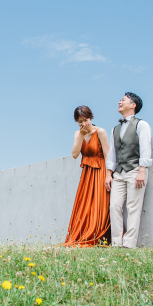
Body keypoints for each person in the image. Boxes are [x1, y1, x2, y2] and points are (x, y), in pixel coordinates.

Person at [105, 92, 152, 248]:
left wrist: (142, 171)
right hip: (118, 173)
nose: (119, 102)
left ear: (133, 105)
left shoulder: (142, 125)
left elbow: (145, 149)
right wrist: (108, 174)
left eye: (123, 100)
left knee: (133, 207)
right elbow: (112, 153)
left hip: (135, 171)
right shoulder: (115, 129)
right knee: (115, 206)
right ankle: (117, 243)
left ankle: (129, 244)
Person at [63, 105, 111, 247]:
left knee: (100, 204)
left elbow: (108, 155)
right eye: (79, 121)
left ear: (91, 118)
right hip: (87, 173)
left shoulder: (100, 132)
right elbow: (74, 154)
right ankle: (83, 234)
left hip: (101, 170)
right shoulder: (78, 134)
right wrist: (82, 135)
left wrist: (109, 175)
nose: (83, 124)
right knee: (85, 205)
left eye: (85, 120)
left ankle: (99, 237)